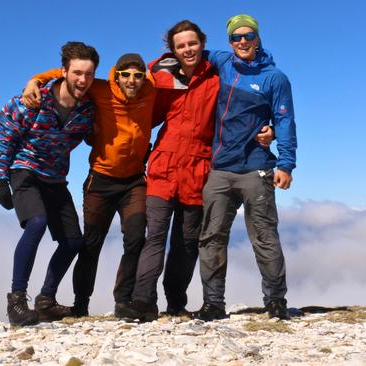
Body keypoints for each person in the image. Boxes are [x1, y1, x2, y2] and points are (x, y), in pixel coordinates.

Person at [117, 20, 274, 322]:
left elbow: (248, 103)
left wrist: (270, 130)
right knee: (155, 237)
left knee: (187, 243)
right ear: (173, 50)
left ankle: (176, 302)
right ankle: (143, 301)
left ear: (202, 43)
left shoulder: (218, 76)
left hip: (199, 169)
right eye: (180, 46)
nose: (187, 49)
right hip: (164, 168)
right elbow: (145, 111)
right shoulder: (161, 79)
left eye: (192, 43)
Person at [21, 53, 156, 317]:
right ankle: (81, 304)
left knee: (136, 238)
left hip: (134, 181)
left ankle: (124, 301)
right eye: (126, 75)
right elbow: (65, 75)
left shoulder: (150, 91)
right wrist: (34, 81)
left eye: (138, 76)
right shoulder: (100, 88)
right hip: (101, 180)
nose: (132, 80)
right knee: (91, 244)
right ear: (116, 75)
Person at [192, 14, 297, 321]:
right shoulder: (222, 62)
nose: (241, 42)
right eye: (235, 37)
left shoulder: (274, 78)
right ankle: (213, 303)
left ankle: (276, 301)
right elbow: (187, 51)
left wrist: (286, 163)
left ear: (257, 38)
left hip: (256, 169)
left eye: (247, 36)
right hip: (221, 169)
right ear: (229, 42)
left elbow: (285, 121)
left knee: (265, 236)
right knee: (211, 236)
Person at [0, 41, 99, 326]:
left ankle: (46, 300)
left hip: (55, 177)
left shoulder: (86, 110)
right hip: (24, 171)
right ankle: (16, 300)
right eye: (76, 72)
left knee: (73, 241)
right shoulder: (33, 100)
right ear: (63, 71)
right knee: (37, 222)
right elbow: (4, 133)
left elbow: (86, 137)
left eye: (88, 74)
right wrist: (1, 179)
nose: (82, 80)